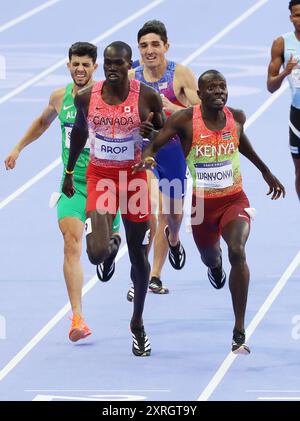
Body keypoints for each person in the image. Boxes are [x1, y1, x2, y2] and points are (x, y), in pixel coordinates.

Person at [136, 70, 285, 354]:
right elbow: (155, 143)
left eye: (223, 87)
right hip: (202, 206)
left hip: (234, 201)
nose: (219, 92)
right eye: (212, 88)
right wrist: (148, 157)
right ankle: (214, 267)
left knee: (238, 251)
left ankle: (239, 330)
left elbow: (243, 145)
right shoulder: (184, 120)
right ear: (200, 94)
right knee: (210, 256)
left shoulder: (236, 117)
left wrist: (266, 172)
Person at [4, 42, 121, 342]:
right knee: (71, 242)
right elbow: (43, 122)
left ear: (95, 67)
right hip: (72, 184)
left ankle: (110, 247)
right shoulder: (60, 97)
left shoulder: (105, 98)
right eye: (75, 64)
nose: (80, 69)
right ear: (68, 65)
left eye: (86, 64)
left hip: (103, 182)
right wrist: (18, 148)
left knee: (100, 248)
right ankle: (78, 318)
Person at [62, 41, 165, 356]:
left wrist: (151, 133)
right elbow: (79, 133)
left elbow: (162, 131)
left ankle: (137, 324)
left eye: (117, 63)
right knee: (94, 253)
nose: (111, 68)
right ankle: (109, 249)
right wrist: (68, 173)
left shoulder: (146, 96)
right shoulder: (85, 98)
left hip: (133, 180)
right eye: (107, 63)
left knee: (139, 259)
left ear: (129, 65)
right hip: (101, 177)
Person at [127, 20, 200, 301]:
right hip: (145, 151)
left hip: (173, 152)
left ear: (166, 46)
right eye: (144, 45)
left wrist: (175, 108)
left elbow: (204, 112)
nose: (149, 50)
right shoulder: (132, 77)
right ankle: (149, 276)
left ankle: (174, 238)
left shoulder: (180, 75)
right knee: (150, 212)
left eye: (155, 44)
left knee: (172, 215)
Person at [267, 0, 300, 200]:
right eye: (296, 15)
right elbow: (270, 86)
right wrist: (285, 72)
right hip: (298, 116)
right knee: (299, 172)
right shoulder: (282, 43)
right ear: (290, 18)